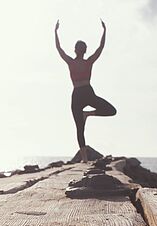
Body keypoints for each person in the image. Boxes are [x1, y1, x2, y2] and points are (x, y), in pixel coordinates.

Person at [55, 19, 117, 163]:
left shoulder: (74, 62)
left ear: (76, 50)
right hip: (85, 93)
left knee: (79, 128)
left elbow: (59, 49)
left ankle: (84, 158)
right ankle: (84, 159)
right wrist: (104, 31)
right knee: (85, 124)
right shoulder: (86, 62)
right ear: (82, 50)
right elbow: (100, 48)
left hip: (80, 93)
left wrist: (56, 32)